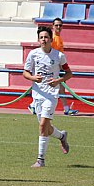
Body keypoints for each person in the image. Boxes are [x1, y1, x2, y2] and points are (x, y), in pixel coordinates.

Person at [23, 26, 72, 168]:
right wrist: (32, 77)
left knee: (43, 125)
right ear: (38, 40)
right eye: (41, 37)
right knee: (45, 127)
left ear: (51, 39)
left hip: (51, 95)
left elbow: (69, 73)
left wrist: (58, 81)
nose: (43, 40)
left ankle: (40, 159)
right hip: (37, 94)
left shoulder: (59, 56)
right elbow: (25, 73)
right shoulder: (33, 54)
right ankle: (62, 136)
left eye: (46, 37)